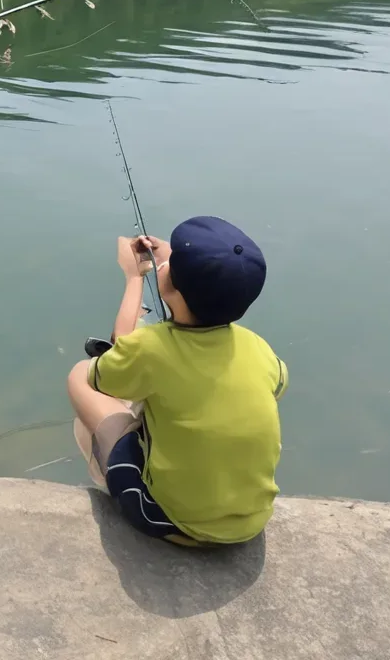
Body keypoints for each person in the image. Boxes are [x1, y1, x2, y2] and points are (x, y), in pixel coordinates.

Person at [67, 216, 288, 547]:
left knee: (81, 376)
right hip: (251, 523)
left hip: (172, 521)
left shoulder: (152, 348)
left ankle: (107, 466)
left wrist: (133, 278)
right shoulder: (259, 349)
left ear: (168, 284)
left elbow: (112, 362)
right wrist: (175, 257)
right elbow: (277, 386)